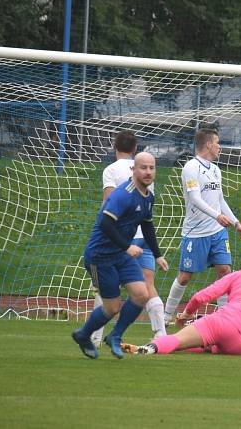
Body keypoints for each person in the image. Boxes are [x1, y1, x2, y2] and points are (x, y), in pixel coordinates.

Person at [71, 152, 161, 360]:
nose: (148, 172)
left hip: (120, 255)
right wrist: (127, 246)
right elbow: (105, 223)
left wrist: (157, 255)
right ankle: (84, 335)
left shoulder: (148, 196)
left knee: (141, 294)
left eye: (152, 168)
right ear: (133, 170)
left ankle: (115, 336)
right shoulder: (123, 194)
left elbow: (147, 226)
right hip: (100, 256)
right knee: (112, 307)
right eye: (143, 167)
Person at [163, 128, 241, 323]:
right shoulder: (191, 168)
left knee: (225, 271)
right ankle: (167, 315)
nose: (220, 146)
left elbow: (220, 200)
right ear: (209, 144)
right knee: (185, 276)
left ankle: (224, 317)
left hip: (217, 232)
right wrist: (217, 216)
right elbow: (195, 199)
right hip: (196, 233)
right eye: (218, 142)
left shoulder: (215, 169)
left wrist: (236, 223)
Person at [91, 131, 168, 346]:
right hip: (144, 237)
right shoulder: (147, 168)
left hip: (123, 239)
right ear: (135, 149)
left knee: (107, 289)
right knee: (147, 285)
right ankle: (160, 333)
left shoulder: (112, 170)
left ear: (115, 147)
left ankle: (95, 337)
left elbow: (108, 204)